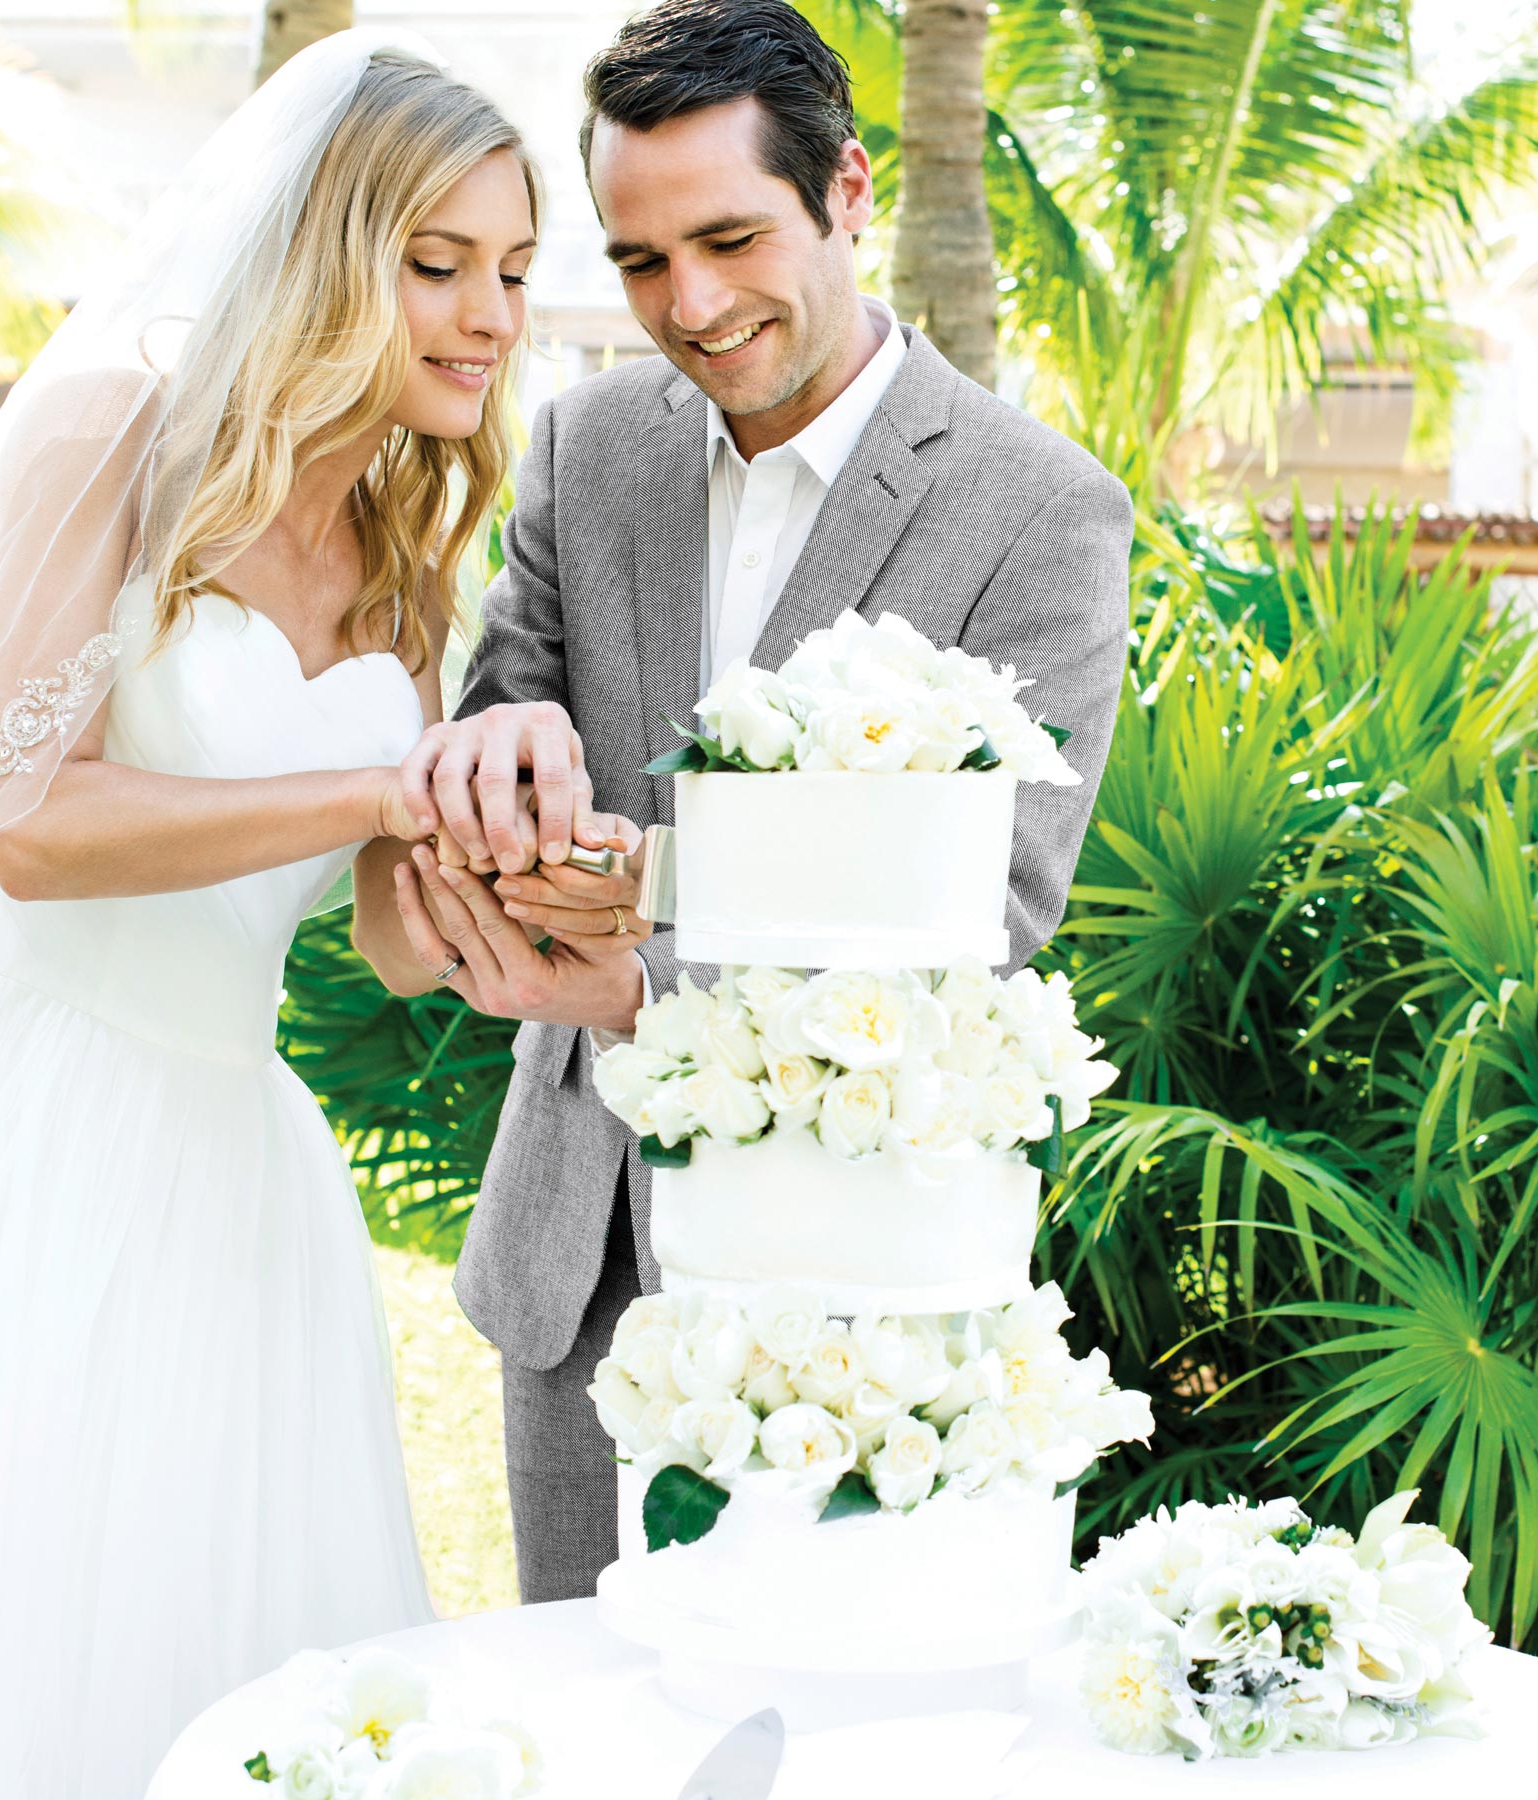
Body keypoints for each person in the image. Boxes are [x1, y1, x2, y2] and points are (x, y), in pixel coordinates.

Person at [0, 37, 555, 1797]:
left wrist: (521, 878)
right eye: (433, 264)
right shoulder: (110, 435)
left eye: (515, 273)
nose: (487, 317)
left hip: (244, 1174)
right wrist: (382, 788)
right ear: (318, 251)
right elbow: (30, 823)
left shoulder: (410, 552)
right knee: (4, 1624)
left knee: (226, 1647)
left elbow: (385, 938)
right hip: (35, 1121)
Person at [348, 0, 1135, 1606]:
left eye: (727, 238)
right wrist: (517, 790)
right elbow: (512, 710)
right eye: (642, 263)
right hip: (579, 1257)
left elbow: (989, 913)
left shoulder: (1043, 511)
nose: (690, 306)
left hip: (856, 1284)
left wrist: (644, 950)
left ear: (848, 192)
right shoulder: (583, 447)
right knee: (585, 1716)